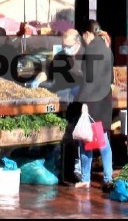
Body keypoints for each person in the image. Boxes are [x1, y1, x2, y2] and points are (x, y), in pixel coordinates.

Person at [31, 29, 86, 182]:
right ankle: (64, 171)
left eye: (68, 45)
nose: (65, 48)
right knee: (63, 138)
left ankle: (75, 172)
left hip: (79, 103)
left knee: (75, 138)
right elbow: (50, 76)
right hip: (60, 102)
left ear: (77, 43)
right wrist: (40, 80)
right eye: (63, 45)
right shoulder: (59, 57)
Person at [74, 19, 114, 192]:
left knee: (87, 141)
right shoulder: (106, 47)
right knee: (102, 140)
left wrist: (83, 103)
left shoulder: (90, 50)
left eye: (83, 35)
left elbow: (86, 78)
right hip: (105, 100)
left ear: (87, 33)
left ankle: (85, 178)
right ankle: (108, 177)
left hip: (92, 101)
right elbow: (110, 77)